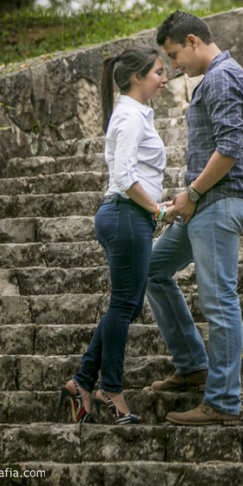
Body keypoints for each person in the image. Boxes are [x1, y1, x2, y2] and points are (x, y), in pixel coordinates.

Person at [144, 10, 243, 426]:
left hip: (219, 202)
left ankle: (223, 402)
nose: (174, 66)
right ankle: (193, 364)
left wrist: (192, 192)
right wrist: (188, 194)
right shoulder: (214, 79)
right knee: (151, 269)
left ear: (192, 41)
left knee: (218, 300)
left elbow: (229, 149)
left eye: (174, 55)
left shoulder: (222, 77)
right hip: (203, 202)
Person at [58, 45, 172, 425]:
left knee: (125, 304)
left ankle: (83, 382)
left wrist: (156, 203)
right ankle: (112, 388)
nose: (165, 78)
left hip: (127, 216)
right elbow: (124, 178)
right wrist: (155, 208)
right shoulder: (129, 117)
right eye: (158, 71)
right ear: (137, 77)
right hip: (126, 215)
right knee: (125, 305)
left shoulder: (134, 114)